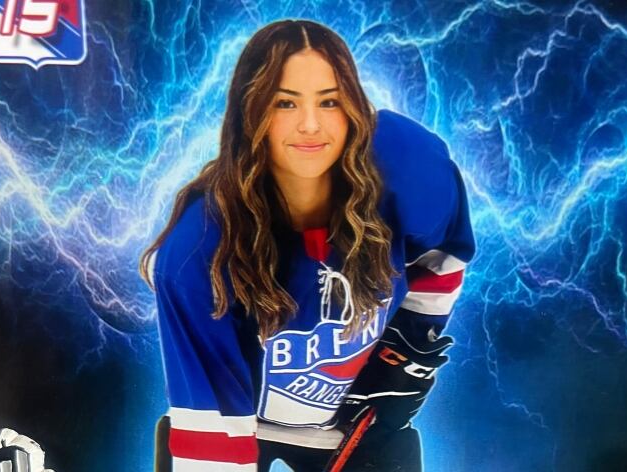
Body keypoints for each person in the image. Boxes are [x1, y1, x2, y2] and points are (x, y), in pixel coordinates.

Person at [140, 19, 475, 472]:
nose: (311, 125)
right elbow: (211, 426)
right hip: (243, 424)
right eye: (284, 103)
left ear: (354, 106)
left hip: (358, 421)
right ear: (250, 112)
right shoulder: (196, 250)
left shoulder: (408, 168)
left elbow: (445, 250)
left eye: (330, 101)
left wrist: (409, 344)